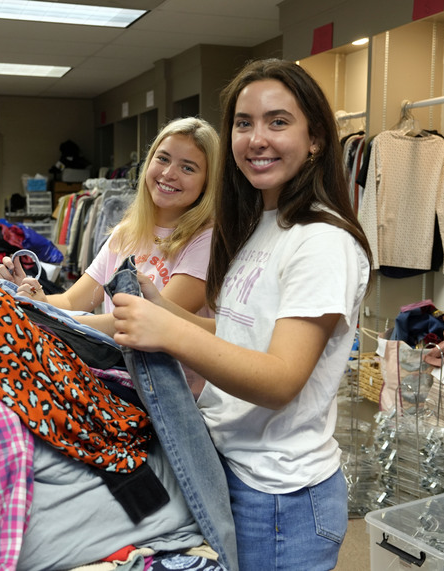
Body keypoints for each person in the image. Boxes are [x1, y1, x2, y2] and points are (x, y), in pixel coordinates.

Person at [109, 58, 373, 571]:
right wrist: (164, 311)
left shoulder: (322, 241)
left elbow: (279, 378)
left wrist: (168, 333)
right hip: (236, 470)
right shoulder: (263, 223)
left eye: (278, 122)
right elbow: (241, 336)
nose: (257, 138)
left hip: (281, 498)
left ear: (316, 137)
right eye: (243, 122)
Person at [0, 116, 219, 397]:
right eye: (163, 159)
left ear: (207, 182)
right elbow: (74, 301)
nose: (169, 173)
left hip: (173, 392)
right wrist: (35, 298)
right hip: (121, 371)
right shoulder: (127, 232)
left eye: (188, 167)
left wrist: (48, 317)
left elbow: (146, 320)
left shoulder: (206, 239)